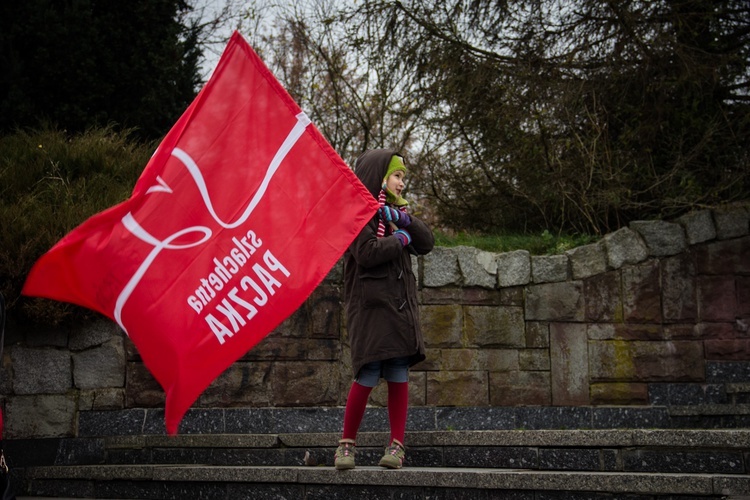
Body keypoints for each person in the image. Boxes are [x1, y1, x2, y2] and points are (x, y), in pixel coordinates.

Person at [334, 149, 434, 470]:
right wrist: (401, 240)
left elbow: (427, 242)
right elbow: (366, 252)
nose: (402, 183)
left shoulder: (393, 211)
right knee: (367, 374)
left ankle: (397, 445)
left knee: (398, 374)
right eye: (397, 175)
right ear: (380, 177)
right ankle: (346, 446)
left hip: (399, 309)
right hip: (371, 310)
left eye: (403, 177)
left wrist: (405, 221)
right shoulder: (358, 213)